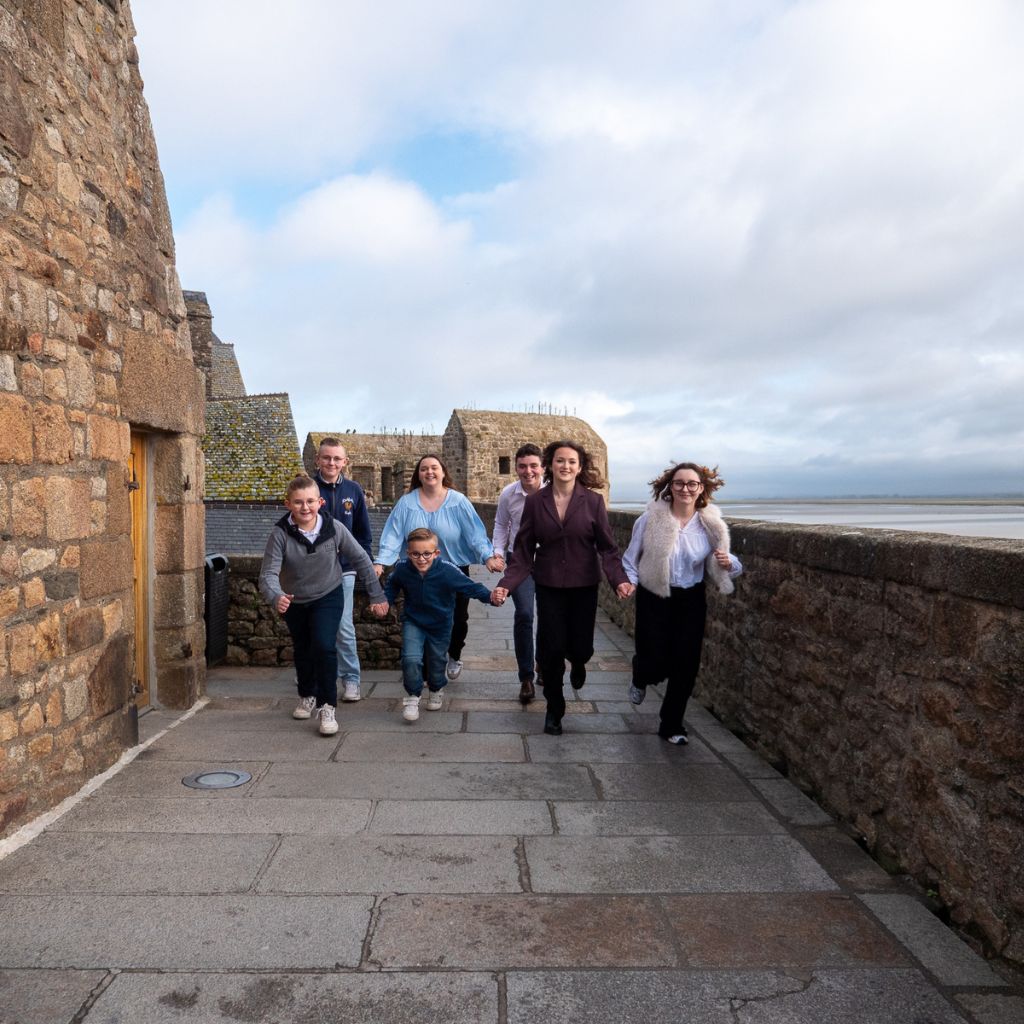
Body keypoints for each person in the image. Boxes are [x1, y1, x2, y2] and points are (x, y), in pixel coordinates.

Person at [494, 440, 634, 736]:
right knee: (551, 648)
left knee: (580, 647)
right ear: (550, 465)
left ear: (579, 467)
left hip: (584, 585)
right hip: (549, 585)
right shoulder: (535, 502)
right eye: (560, 461)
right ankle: (554, 709)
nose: (565, 466)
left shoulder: (593, 501)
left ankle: (580, 661)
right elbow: (522, 551)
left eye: (571, 461)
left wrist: (619, 579)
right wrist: (506, 585)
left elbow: (608, 548)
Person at [621, 461, 742, 744]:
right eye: (679, 483)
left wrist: (729, 561)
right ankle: (641, 676)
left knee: (686, 664)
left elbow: (730, 564)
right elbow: (630, 558)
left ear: (701, 489)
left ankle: (672, 725)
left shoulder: (711, 525)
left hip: (690, 599)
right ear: (669, 487)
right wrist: (628, 582)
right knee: (654, 661)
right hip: (654, 595)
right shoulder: (650, 519)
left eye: (692, 484)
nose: (685, 489)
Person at [260, 475, 387, 736]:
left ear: (319, 502)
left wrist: (377, 595)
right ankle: (307, 694)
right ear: (288, 504)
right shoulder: (279, 534)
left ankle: (327, 706)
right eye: (298, 502)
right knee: (303, 649)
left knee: (324, 645)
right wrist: (276, 596)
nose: (305, 507)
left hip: (329, 594)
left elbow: (362, 559)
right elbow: (268, 574)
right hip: (294, 599)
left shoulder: (335, 528)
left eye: (310, 501)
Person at [374, 454, 503, 681]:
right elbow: (393, 535)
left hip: (453, 570)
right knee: (421, 617)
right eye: (424, 469)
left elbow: (475, 533)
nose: (430, 472)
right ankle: (426, 669)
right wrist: (382, 562)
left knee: (458, 619)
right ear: (418, 475)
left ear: (443, 472)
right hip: (418, 572)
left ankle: (454, 654)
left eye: (434, 468)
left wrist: (487, 557)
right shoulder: (406, 503)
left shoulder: (458, 501)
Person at [374, 528, 505, 722]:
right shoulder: (402, 568)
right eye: (415, 554)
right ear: (408, 553)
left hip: (440, 624)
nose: (421, 559)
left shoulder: (447, 570)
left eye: (427, 553)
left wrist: (491, 598)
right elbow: (392, 586)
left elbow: (471, 587)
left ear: (436, 553)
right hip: (413, 621)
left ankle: (436, 688)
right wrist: (384, 601)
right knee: (410, 658)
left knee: (437, 661)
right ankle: (412, 695)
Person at [313, 437, 373, 704]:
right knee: (315, 627)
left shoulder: (354, 490)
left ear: (345, 462)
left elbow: (363, 534)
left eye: (337, 458)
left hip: (345, 569)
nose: (331, 463)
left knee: (344, 626)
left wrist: (367, 567)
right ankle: (316, 676)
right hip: (313, 571)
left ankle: (351, 679)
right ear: (318, 460)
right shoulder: (309, 488)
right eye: (327, 458)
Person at [492, 443, 544, 704]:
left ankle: (544, 661)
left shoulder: (555, 492)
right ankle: (526, 676)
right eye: (523, 466)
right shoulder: (508, 494)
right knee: (524, 614)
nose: (528, 471)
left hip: (549, 561)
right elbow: (501, 524)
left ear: (543, 467)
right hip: (519, 560)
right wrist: (498, 553)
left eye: (534, 465)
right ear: (516, 468)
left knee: (549, 616)